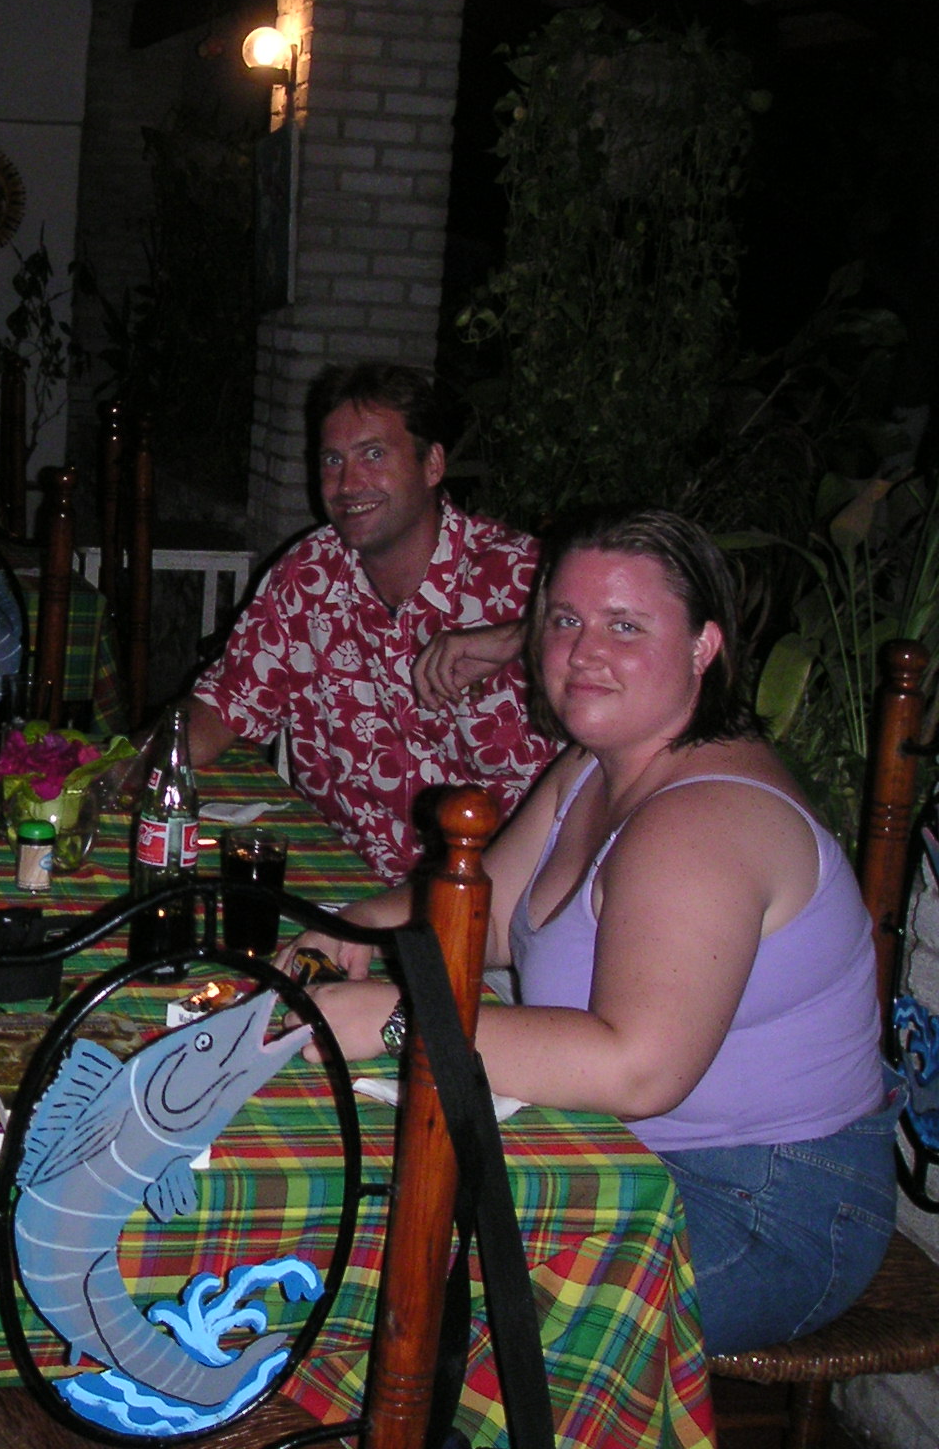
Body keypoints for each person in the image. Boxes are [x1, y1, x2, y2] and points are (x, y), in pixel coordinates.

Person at [290, 508, 896, 1355]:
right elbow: (489, 919)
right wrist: (348, 926)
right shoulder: (593, 767)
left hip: (758, 1203)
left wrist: (399, 1018)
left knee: (412, 1301)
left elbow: (636, 1068)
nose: (582, 652)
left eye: (625, 626)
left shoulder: (704, 821)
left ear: (705, 647)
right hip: (612, 1147)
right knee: (360, 1207)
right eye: (566, 620)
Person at [174, 362, 556, 882]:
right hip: (341, 883)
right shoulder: (310, 574)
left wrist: (523, 635)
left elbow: (649, 656)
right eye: (333, 460)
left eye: (373, 455)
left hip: (492, 900)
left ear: (432, 464)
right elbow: (224, 705)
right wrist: (115, 769)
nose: (348, 483)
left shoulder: (521, 578)